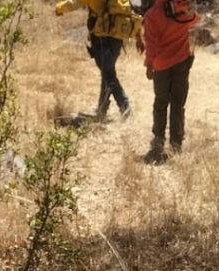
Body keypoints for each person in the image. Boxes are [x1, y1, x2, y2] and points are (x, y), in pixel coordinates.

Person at [56, 0, 143, 122]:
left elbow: (74, 3)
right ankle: (102, 110)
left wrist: (59, 9)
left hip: (101, 39)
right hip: (117, 39)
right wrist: (139, 37)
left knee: (109, 75)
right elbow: (130, 13)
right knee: (107, 74)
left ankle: (125, 108)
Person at [142, 0, 199, 164]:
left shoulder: (152, 15)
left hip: (161, 65)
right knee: (178, 103)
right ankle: (176, 142)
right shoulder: (181, 9)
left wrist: (149, 64)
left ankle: (159, 138)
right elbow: (195, 20)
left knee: (160, 102)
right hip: (181, 62)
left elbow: (151, 44)